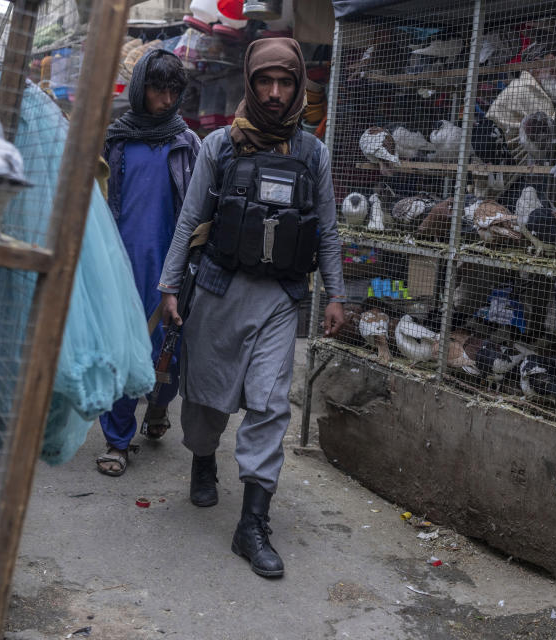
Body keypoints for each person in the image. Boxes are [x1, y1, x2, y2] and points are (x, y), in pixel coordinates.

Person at [157, 38, 345, 578]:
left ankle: (252, 525)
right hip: (217, 291)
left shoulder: (313, 153)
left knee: (270, 405)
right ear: (250, 82)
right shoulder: (218, 146)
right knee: (206, 404)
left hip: (280, 300)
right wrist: (170, 287)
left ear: (297, 86)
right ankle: (201, 459)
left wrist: (337, 294)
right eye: (266, 81)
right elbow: (189, 220)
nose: (275, 92)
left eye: (286, 83)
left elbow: (328, 233)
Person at [96, 49, 201, 477]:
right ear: (141, 88)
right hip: (122, 265)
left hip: (170, 270)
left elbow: (198, 212)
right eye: (158, 88)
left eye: (174, 90)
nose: (166, 98)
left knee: (168, 356)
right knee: (123, 352)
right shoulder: (116, 141)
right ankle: (117, 440)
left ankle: (157, 409)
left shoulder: (187, 143)